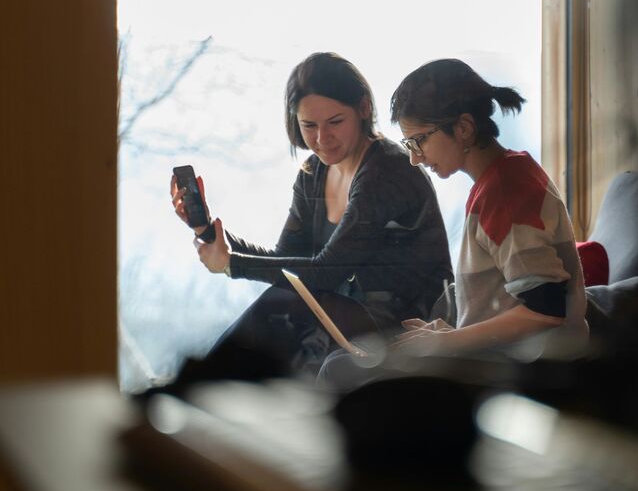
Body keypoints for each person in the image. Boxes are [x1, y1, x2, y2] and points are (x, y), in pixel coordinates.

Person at [168, 52, 452, 382]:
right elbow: (288, 261)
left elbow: (324, 274)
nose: (321, 139)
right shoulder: (312, 172)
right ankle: (207, 392)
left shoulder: (389, 170)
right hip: (339, 317)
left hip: (409, 326)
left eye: (335, 122)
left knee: (283, 306)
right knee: (283, 314)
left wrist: (232, 263)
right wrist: (206, 229)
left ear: (362, 109)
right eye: (309, 126)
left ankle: (198, 387)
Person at [318, 58, 588, 390]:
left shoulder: (506, 194)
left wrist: (449, 343)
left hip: (517, 373)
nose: (415, 158)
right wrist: (449, 333)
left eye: (419, 141)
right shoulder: (502, 177)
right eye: (409, 145)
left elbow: (546, 310)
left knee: (341, 370)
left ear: (463, 128)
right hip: (494, 359)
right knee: (345, 361)